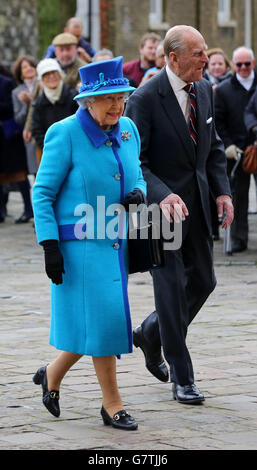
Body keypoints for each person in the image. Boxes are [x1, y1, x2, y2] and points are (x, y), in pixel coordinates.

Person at [32, 56, 146, 430]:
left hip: (115, 244)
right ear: (88, 101)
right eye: (109, 98)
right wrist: (49, 244)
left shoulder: (127, 128)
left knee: (96, 323)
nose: (117, 105)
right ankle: (112, 404)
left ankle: (51, 374)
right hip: (77, 249)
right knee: (107, 320)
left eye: (122, 96)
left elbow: (137, 175)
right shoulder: (63, 133)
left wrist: (138, 195)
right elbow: (43, 193)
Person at [125, 25, 233, 404]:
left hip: (199, 206)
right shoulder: (143, 98)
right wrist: (163, 194)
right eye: (198, 53)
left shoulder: (204, 89)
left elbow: (214, 147)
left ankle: (150, 333)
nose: (206, 59)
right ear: (173, 58)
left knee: (204, 281)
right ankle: (182, 378)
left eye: (206, 52)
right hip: (159, 214)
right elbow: (135, 162)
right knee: (170, 291)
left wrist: (222, 192)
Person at [215, 46, 257, 253]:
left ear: (253, 63)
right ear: (233, 64)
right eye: (239, 64)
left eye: (247, 64)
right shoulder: (223, 90)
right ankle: (239, 239)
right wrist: (228, 144)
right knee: (238, 197)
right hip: (237, 151)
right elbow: (219, 122)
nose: (243, 68)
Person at [203, 48, 232, 240]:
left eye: (220, 63)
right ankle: (212, 228)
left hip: (225, 144)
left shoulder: (228, 86)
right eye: (212, 63)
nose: (216, 67)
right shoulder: (203, 85)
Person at [0, 65, 33, 224]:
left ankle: (28, 208)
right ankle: (1, 210)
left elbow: (10, 108)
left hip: (9, 136)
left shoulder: (6, 83)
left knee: (19, 174)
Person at [31, 59, 78, 154]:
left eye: (54, 73)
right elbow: (37, 130)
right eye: (47, 74)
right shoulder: (39, 103)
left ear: (60, 74)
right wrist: (50, 148)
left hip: (76, 149)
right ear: (42, 79)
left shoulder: (73, 96)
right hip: (52, 152)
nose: (51, 77)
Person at [12, 55, 38, 177]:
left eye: (31, 65)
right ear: (20, 73)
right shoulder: (17, 92)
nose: (29, 68)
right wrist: (26, 105)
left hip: (46, 129)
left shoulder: (44, 83)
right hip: (31, 136)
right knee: (37, 174)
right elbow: (18, 119)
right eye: (24, 67)